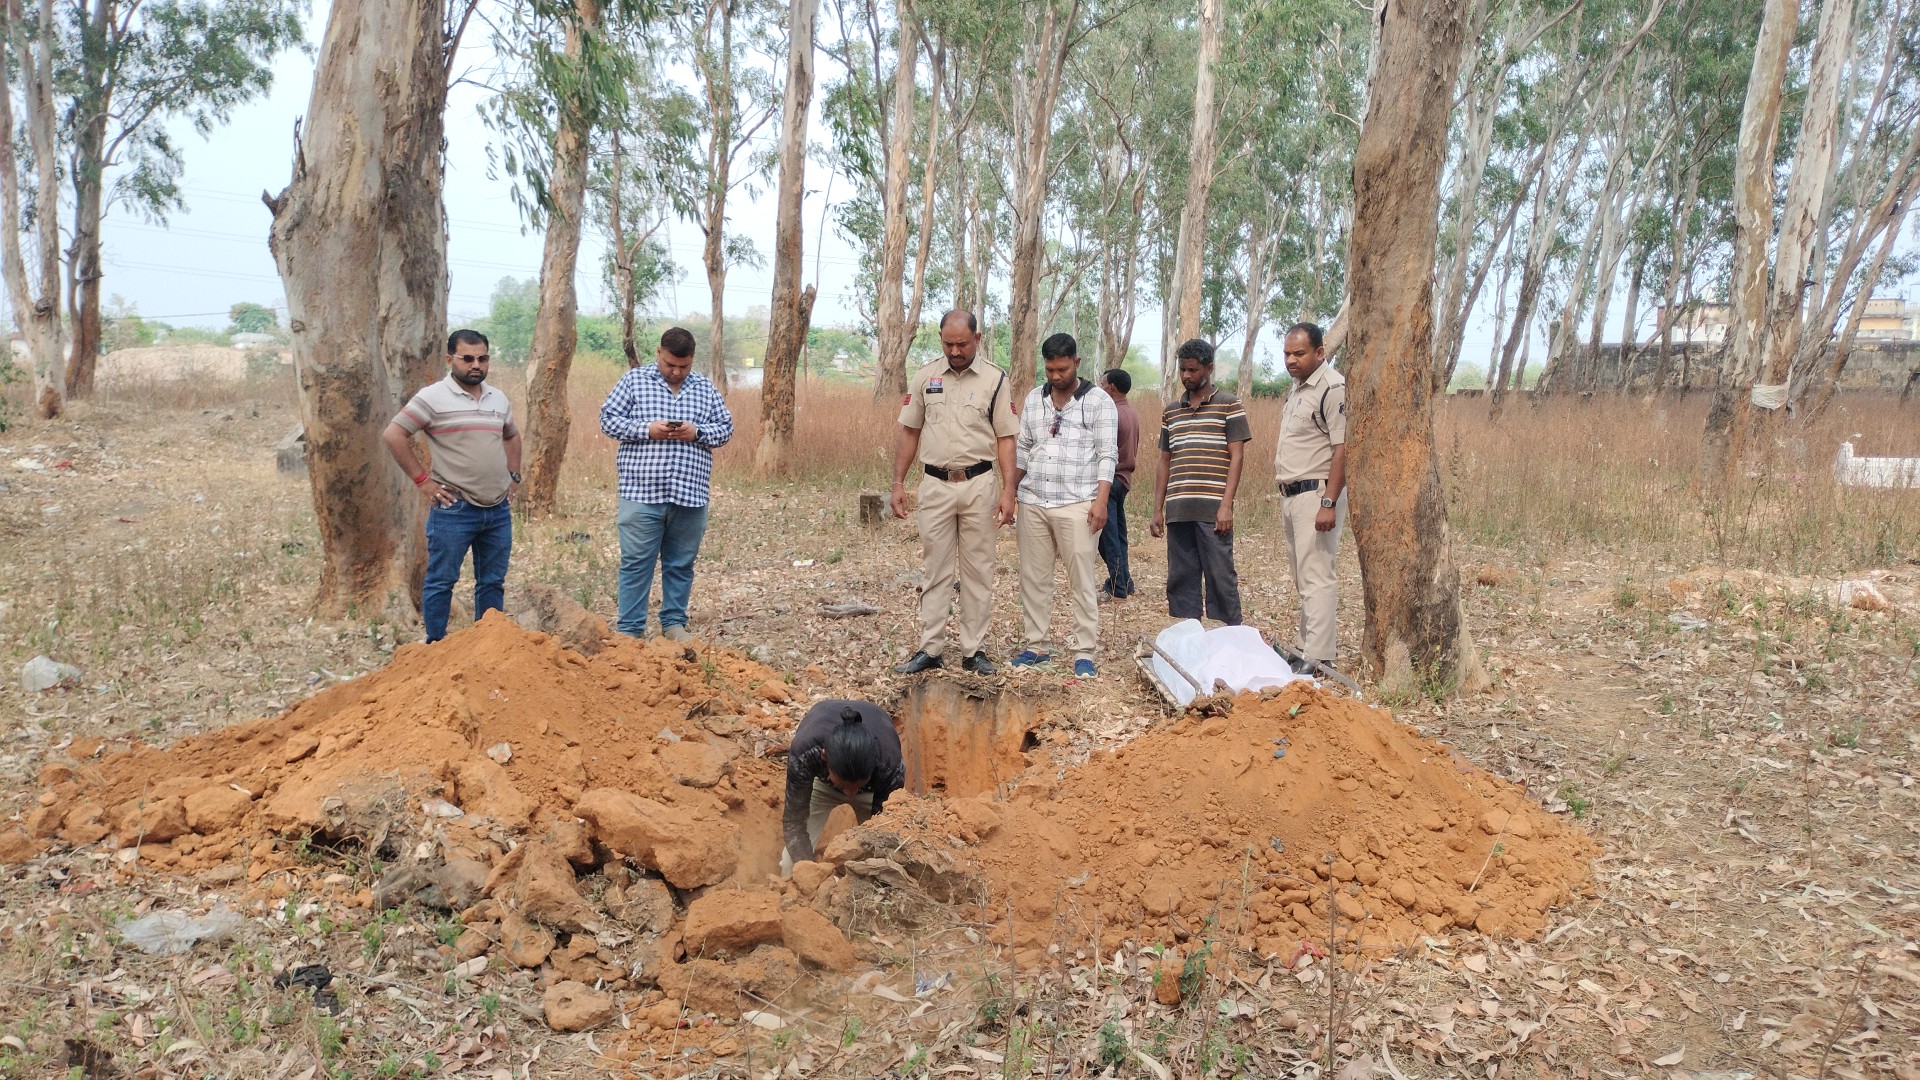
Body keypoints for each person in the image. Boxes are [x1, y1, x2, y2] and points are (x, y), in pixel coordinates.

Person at [891, 310, 1018, 676]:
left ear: (977, 339)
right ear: (941, 340)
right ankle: (930, 649)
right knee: (936, 569)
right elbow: (910, 431)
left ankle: (973, 651)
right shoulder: (925, 377)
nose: (955, 351)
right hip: (935, 485)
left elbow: (1006, 438)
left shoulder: (995, 379)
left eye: (962, 344)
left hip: (980, 485)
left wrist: (1009, 491)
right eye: (948, 344)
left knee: (978, 570)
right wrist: (898, 482)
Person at [382, 329, 522, 643]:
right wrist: (423, 482)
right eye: (467, 358)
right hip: (454, 508)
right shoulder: (432, 397)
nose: (476, 365)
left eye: (483, 359)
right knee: (441, 581)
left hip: (497, 509)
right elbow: (394, 435)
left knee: (492, 582)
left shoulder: (497, 398)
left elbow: (512, 435)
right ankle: (436, 646)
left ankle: (488, 645)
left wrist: (514, 476)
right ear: (449, 359)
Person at [598, 327, 734, 642]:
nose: (676, 372)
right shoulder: (633, 381)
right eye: (670, 364)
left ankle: (674, 625)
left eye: (683, 366)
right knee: (636, 563)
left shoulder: (705, 388)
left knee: (681, 564)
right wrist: (647, 430)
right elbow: (608, 420)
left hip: (690, 493)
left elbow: (726, 429)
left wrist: (697, 432)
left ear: (692, 359)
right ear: (659, 352)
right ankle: (630, 630)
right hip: (641, 492)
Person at [1008, 333, 1118, 677]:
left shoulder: (1099, 402)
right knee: (1034, 578)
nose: (1056, 376)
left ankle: (1084, 651)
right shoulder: (1034, 399)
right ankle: (1036, 647)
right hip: (1033, 500)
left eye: (1063, 369)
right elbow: (1023, 448)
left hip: (1078, 503)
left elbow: (1107, 455)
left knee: (1081, 580)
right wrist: (1009, 490)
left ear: (1077, 362)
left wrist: (1101, 501)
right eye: (1050, 370)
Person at [1149, 338, 1251, 625]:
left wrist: (1226, 505)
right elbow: (1164, 461)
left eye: (1193, 370)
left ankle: (1230, 635)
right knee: (1181, 578)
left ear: (1209, 368)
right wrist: (1157, 509)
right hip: (1179, 509)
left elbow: (1237, 457)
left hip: (1213, 510)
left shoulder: (1229, 405)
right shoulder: (1171, 411)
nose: (1186, 376)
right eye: (1183, 370)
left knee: (1221, 575)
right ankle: (1189, 636)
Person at [1273, 322, 1347, 671]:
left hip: (1317, 493)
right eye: (1287, 354)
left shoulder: (1332, 387)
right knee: (1304, 575)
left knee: (1317, 574)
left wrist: (1328, 502)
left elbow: (1343, 448)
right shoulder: (1299, 388)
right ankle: (1305, 647)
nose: (1291, 360)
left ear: (1319, 352)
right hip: (1291, 494)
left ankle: (1319, 656)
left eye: (1299, 353)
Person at [781, 700, 907, 874]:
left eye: (857, 786)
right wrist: (808, 870)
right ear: (824, 757)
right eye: (843, 786)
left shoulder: (889, 765)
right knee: (790, 865)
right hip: (824, 786)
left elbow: (884, 830)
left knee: (884, 860)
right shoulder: (806, 752)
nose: (850, 794)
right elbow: (794, 823)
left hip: (871, 793)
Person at [1097, 368, 1139, 602]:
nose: (1100, 388)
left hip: (1110, 479)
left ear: (1111, 387)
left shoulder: (1111, 413)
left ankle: (1117, 587)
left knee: (1107, 538)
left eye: (1102, 385)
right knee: (1119, 535)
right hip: (1124, 480)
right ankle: (1126, 581)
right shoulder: (1130, 412)